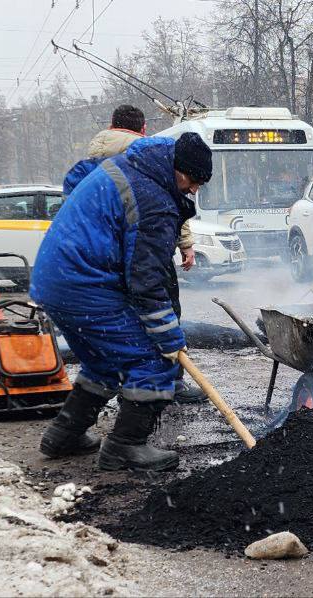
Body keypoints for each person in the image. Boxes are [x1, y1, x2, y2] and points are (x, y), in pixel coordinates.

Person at [31, 132, 212, 472]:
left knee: (104, 362)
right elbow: (147, 280)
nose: (193, 190)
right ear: (178, 168)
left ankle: (63, 436)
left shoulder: (133, 165)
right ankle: (125, 446)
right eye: (193, 181)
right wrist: (169, 339)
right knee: (154, 361)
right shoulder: (152, 197)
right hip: (84, 283)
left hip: (56, 279)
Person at [62, 105, 205, 404]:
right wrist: (185, 243)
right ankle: (168, 384)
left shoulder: (87, 161)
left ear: (111, 125)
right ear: (141, 129)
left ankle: (118, 389)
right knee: (162, 310)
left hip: (99, 259)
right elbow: (164, 210)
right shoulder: (147, 156)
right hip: (141, 249)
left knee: (120, 325)